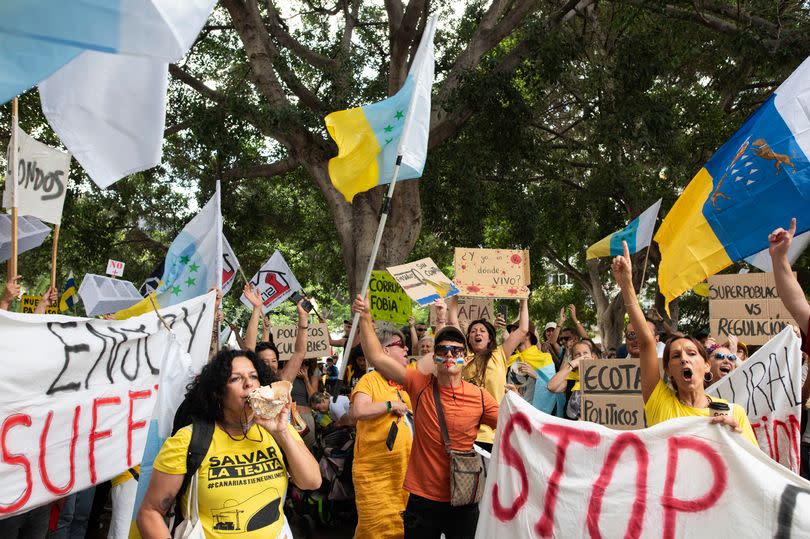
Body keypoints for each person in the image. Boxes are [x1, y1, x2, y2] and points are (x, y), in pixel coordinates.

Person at [351, 294, 498, 539]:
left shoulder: (481, 397)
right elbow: (377, 357)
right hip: (422, 499)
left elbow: (514, 427)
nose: (449, 355)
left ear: (465, 357)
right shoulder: (418, 384)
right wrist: (365, 317)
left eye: (456, 351)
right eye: (442, 350)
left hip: (463, 499)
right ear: (435, 357)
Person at [136, 349, 320, 538]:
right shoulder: (189, 440)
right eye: (235, 379)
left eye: (254, 376)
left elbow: (312, 481)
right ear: (218, 392)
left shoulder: (278, 430)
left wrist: (282, 433)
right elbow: (150, 513)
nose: (248, 383)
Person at [611, 241, 757, 445]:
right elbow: (646, 343)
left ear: (707, 366)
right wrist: (626, 285)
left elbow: (754, 467)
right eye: (676, 356)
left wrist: (736, 438)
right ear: (669, 370)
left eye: (691, 353)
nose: (684, 360)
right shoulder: (659, 402)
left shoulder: (733, 412)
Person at [349, 323, 414, 539]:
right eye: (400, 345)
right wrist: (390, 405)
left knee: (403, 529)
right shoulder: (370, 379)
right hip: (375, 475)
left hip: (404, 474)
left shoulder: (406, 383)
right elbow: (359, 410)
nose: (406, 349)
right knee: (374, 530)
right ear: (384, 351)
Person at [450, 296, 527, 452]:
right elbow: (453, 322)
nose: (477, 333)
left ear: (489, 337)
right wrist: (454, 296)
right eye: (473, 331)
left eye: (482, 331)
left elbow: (523, 329)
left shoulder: (499, 354)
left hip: (495, 433)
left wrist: (523, 301)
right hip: (466, 434)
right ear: (468, 338)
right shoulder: (462, 358)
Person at [547, 340, 595, 420]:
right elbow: (551, 386)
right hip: (573, 428)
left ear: (592, 357)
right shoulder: (570, 379)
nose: (582, 357)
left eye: (585, 353)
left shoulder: (603, 377)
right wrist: (572, 364)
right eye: (577, 354)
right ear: (573, 358)